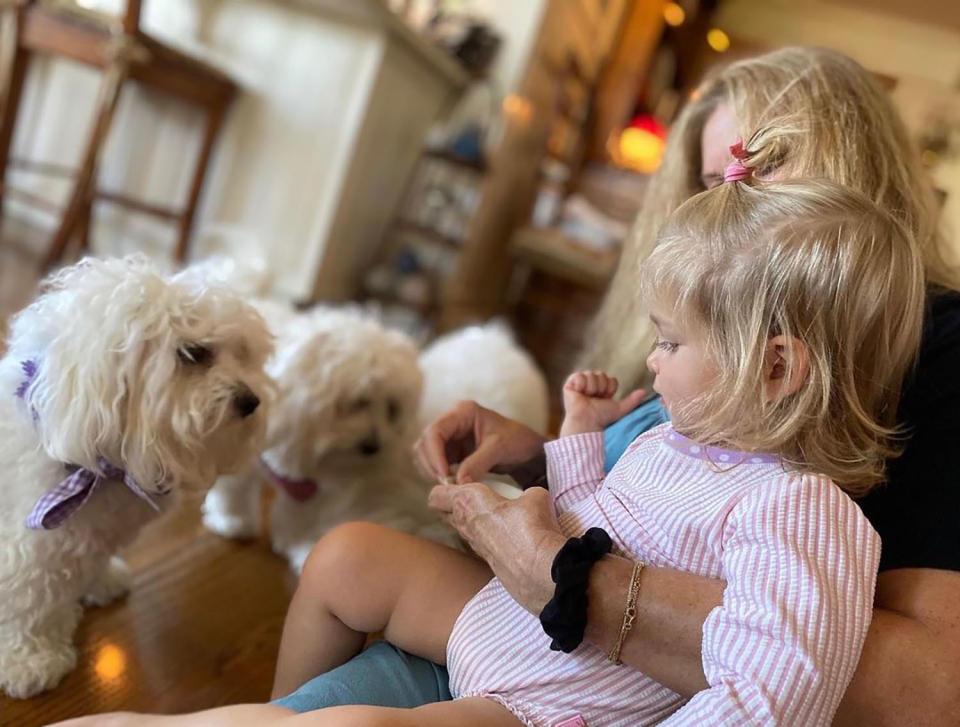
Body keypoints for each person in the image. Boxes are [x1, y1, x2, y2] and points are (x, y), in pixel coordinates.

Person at [59, 160, 927, 726]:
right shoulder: (678, 437)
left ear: (774, 369)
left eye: (670, 341)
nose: (652, 363)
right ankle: (281, 705)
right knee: (348, 554)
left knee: (359, 724)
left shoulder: (805, 514)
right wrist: (581, 440)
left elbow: (775, 694)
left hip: (557, 701)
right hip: (512, 624)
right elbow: (597, 520)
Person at [273, 46, 960, 726]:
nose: (734, 198)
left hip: (577, 683)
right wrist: (541, 454)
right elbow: (642, 510)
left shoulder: (918, 364)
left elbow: (913, 688)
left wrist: (565, 573)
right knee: (342, 563)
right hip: (516, 625)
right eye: (713, 181)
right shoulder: (725, 341)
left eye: (764, 161)